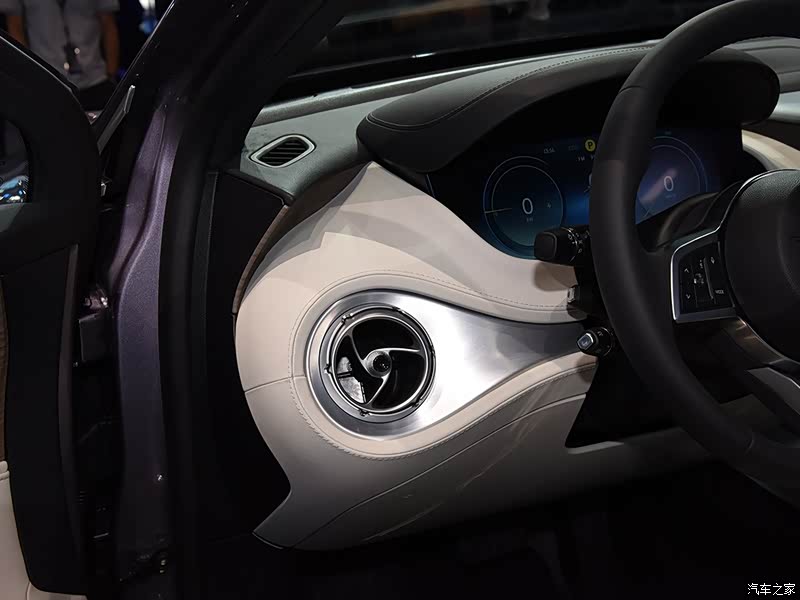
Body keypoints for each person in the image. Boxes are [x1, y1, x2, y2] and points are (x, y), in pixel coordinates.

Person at [0, 0, 120, 110]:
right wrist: (30, 77)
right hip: (47, 81)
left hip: (95, 78)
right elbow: (15, 27)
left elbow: (109, 24)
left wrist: (111, 74)